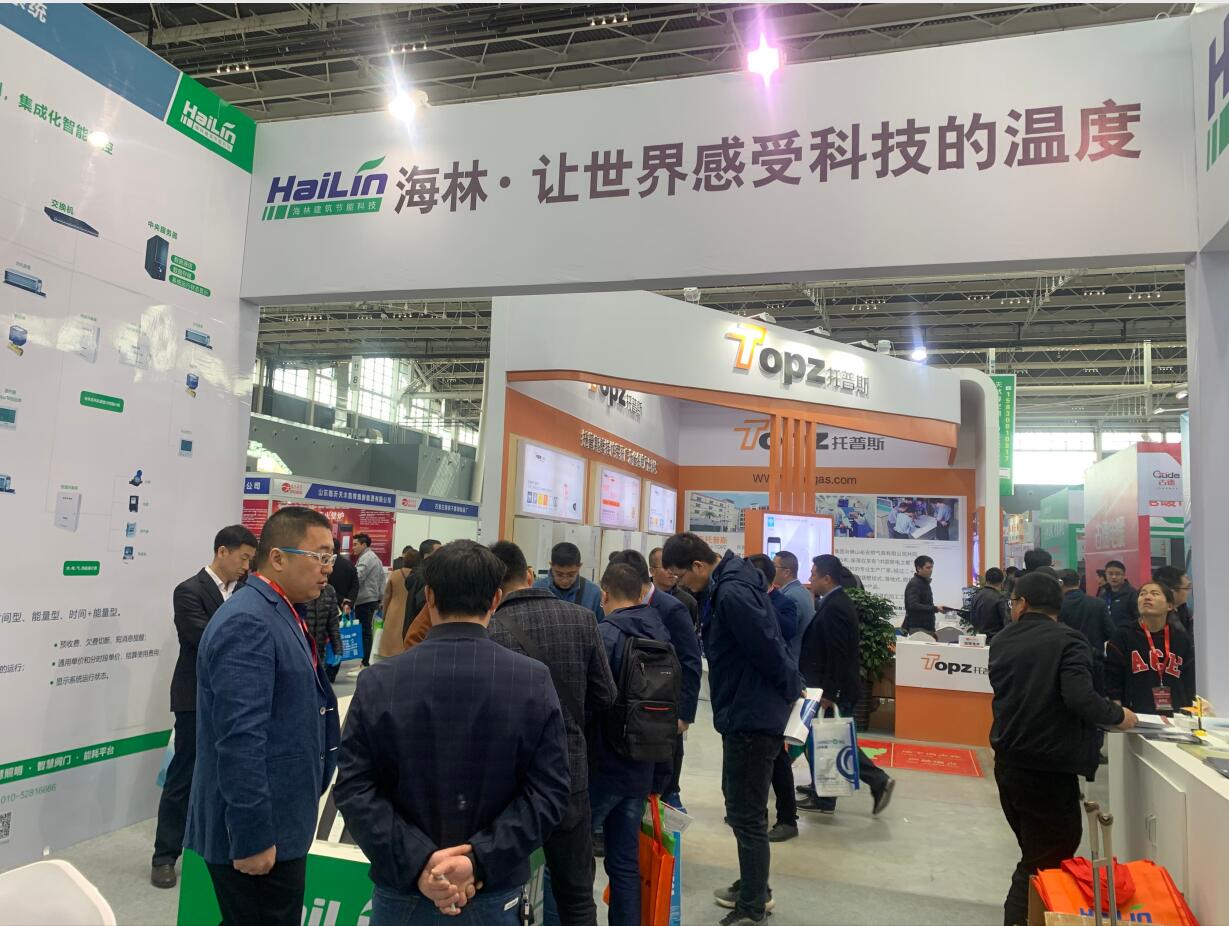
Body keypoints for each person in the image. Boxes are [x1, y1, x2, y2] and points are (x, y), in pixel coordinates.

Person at [334, 540, 570, 925]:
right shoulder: (531, 680)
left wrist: (421, 862)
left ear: (428, 596)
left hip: (404, 891)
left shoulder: (380, 681)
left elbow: (354, 787)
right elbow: (549, 792)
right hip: (492, 892)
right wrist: (477, 860)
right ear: (495, 599)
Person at [184, 507, 341, 926]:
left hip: (280, 817)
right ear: (277, 558)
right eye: (319, 556)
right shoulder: (249, 621)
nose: (328, 568)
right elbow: (240, 739)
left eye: (331, 557)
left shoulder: (281, 610)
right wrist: (252, 836)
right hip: (257, 828)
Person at [662, 533, 800, 926]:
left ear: (699, 566)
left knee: (746, 811)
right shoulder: (733, 581)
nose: (682, 585)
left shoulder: (732, 593)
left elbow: (768, 646)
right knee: (741, 807)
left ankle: (753, 905)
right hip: (746, 708)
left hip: (751, 714)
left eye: (681, 577)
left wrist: (791, 689)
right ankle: (754, 885)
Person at [989, 572, 1136, 926]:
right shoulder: (1069, 641)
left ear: (1022, 604)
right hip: (1048, 769)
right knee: (1043, 859)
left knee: (1036, 853)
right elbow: (1079, 697)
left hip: (1009, 761)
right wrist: (1119, 716)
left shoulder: (1003, 639)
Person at [487, 540, 616, 926]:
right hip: (569, 773)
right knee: (576, 894)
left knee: (500, 890)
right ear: (530, 575)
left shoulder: (487, 630)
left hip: (506, 784)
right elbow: (605, 696)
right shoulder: (582, 618)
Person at [151, 524, 257, 889]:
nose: (246, 566)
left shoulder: (246, 591)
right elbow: (203, 637)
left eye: (250, 560)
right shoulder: (189, 590)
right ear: (222, 552)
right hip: (195, 697)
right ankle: (165, 856)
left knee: (233, 775)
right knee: (184, 776)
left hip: (239, 698)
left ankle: (219, 853)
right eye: (243, 558)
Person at [589, 563, 681, 926]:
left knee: (574, 856)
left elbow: (591, 702)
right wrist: (662, 777)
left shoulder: (605, 636)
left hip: (603, 766)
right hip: (642, 766)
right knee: (625, 863)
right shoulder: (662, 636)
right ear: (642, 593)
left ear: (605, 594)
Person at [798, 554, 894, 817]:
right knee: (825, 738)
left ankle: (874, 782)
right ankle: (821, 788)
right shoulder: (833, 602)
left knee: (833, 740)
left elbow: (838, 654)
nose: (810, 579)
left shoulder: (837, 607)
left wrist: (831, 693)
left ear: (827, 578)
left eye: (814, 575)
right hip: (828, 687)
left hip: (834, 691)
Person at [610, 548, 702, 814]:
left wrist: (684, 713)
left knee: (664, 767)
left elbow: (690, 660)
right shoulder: (618, 602)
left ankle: (668, 801)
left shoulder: (672, 608)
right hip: (631, 704)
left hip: (663, 703)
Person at [747, 554, 801, 843]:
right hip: (753, 695)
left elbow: (786, 633)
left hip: (776, 692)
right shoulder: (743, 604)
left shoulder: (784, 603)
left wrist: (761, 603)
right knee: (770, 758)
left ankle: (787, 818)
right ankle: (761, 815)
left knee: (778, 758)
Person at [1105, 580, 1196, 716]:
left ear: (1170, 605)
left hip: (1176, 715)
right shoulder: (1123, 635)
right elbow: (1113, 676)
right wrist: (1117, 710)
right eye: (1142, 594)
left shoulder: (1181, 639)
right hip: (1135, 715)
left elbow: (1189, 679)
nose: (1147, 597)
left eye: (1154, 594)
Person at [1057, 569, 1115, 694]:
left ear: (1060, 584)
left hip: (1067, 663)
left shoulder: (1057, 607)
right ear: (1078, 582)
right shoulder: (1098, 603)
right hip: (1095, 662)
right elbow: (1111, 632)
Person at [535, 542, 604, 620]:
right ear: (551, 565)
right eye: (559, 574)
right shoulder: (536, 589)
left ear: (579, 567)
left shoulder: (593, 593)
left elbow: (601, 625)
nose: (565, 581)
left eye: (571, 575)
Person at [773, 551, 816, 668]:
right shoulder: (802, 591)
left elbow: (785, 633)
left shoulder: (789, 596)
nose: (770, 570)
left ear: (786, 572)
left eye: (774, 566)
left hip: (792, 662)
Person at [351, 533, 384, 668]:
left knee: (365, 632)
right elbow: (382, 580)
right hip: (370, 599)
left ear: (364, 545)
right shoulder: (374, 557)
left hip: (365, 599)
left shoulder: (367, 558)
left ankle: (365, 663)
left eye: (355, 544)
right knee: (366, 631)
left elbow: (357, 577)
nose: (353, 547)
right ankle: (365, 662)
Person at [377, 548, 417, 659]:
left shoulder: (395, 574)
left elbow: (387, 595)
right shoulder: (419, 576)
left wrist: (384, 615)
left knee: (391, 644)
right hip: (411, 611)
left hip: (393, 611)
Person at [649, 546, 699, 634]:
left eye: (673, 566)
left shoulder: (688, 601)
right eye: (665, 567)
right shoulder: (640, 596)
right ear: (652, 571)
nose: (671, 571)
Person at [303, 576, 343, 684]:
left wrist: (338, 649)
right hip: (300, 648)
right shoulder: (300, 589)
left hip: (319, 648)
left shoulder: (329, 591)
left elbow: (333, 624)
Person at [903, 555, 947, 634]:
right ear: (919, 568)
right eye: (928, 568)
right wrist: (935, 608)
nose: (931, 570)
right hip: (918, 627)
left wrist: (936, 609)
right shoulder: (915, 583)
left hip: (926, 627)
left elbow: (925, 604)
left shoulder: (924, 582)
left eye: (932, 567)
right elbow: (913, 605)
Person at [970, 567, 1010, 643]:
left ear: (986, 579)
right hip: (997, 641)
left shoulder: (976, 596)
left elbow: (972, 620)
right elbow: (1007, 622)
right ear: (1002, 580)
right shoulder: (1000, 598)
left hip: (980, 640)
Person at [1152, 565, 1193, 634]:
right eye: (1187, 588)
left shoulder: (1183, 610)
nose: (1190, 592)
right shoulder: (1158, 620)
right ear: (1171, 592)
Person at [1100, 559, 1137, 627]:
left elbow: (1138, 619)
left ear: (1124, 575)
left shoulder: (1133, 594)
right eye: (1110, 574)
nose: (1114, 577)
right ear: (1106, 575)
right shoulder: (1103, 595)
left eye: (1117, 574)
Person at [326, 539, 359, 610]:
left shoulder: (326, 565)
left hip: (328, 605)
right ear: (339, 549)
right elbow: (355, 586)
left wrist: (341, 599)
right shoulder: (350, 565)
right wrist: (349, 602)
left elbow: (325, 586)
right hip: (345, 607)